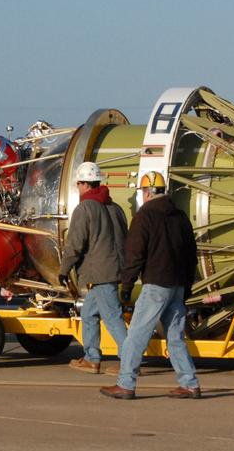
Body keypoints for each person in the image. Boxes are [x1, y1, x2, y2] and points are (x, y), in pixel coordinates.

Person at [100, 172, 202, 400]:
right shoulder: (180, 216)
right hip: (177, 285)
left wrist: (126, 284)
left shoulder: (145, 216)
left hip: (156, 284)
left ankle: (125, 384)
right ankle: (189, 384)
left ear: (146, 193)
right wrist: (186, 285)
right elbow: (191, 254)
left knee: (136, 335)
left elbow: (134, 254)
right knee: (175, 337)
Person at [58, 161, 128, 373]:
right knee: (89, 313)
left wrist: (63, 270)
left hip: (100, 273)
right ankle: (92, 358)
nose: (77, 189)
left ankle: (129, 362)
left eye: (78, 184)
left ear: (85, 185)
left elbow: (75, 244)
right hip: (115, 269)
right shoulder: (115, 208)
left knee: (113, 318)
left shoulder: (85, 208)